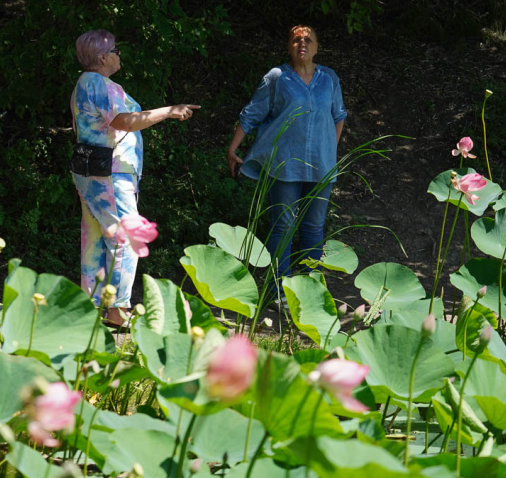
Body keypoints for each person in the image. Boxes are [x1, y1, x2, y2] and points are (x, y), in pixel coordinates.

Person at [71, 29, 200, 327]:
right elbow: (126, 121)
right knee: (126, 237)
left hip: (93, 172)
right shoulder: (100, 84)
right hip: (110, 174)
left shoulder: (84, 84)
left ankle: (92, 308)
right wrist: (169, 111)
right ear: (102, 57)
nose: (119, 55)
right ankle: (117, 309)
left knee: (96, 239)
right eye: (115, 50)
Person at [226, 25, 347, 295]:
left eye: (308, 40)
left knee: (314, 228)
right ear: (288, 47)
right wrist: (233, 147)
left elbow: (338, 117)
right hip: (284, 164)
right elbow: (252, 114)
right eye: (296, 40)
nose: (302, 44)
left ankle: (310, 294)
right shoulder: (277, 78)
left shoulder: (329, 78)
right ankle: (277, 292)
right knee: (283, 227)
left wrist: (329, 150)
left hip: (321, 167)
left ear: (317, 47)